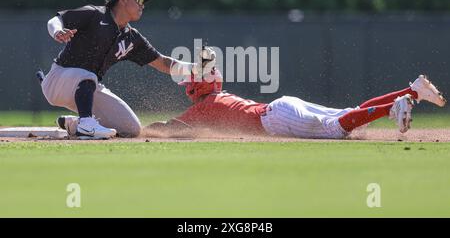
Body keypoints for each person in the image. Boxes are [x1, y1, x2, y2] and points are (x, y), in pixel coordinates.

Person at [40, 0, 215, 139]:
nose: (143, 5)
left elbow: (163, 63)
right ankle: (86, 124)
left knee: (131, 128)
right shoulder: (95, 14)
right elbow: (55, 20)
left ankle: (75, 124)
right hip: (58, 80)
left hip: (87, 88)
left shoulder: (132, 38)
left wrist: (197, 68)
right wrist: (57, 31)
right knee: (88, 75)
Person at [148, 69, 446, 138]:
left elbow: (168, 128)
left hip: (276, 119)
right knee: (349, 113)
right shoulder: (218, 98)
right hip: (282, 106)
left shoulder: (203, 106)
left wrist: (137, 130)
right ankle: (413, 91)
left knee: (335, 130)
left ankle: (394, 107)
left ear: (196, 86)